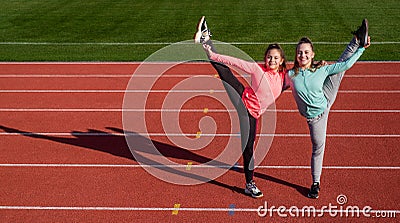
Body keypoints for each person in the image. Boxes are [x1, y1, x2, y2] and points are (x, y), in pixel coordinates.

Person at [194, 16, 288, 198]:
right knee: (224, 71)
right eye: (269, 57)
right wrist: (213, 56)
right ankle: (249, 184)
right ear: (265, 58)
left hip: (255, 113)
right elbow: (234, 62)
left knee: (249, 146)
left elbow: (301, 77)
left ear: (282, 60)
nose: (272, 60)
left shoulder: (285, 77)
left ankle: (207, 38)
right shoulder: (257, 69)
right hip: (242, 101)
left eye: (276, 57)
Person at [287, 19, 370, 199]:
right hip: (315, 118)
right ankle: (357, 39)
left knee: (339, 68)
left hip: (326, 97)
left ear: (312, 54)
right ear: (296, 55)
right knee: (317, 146)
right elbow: (276, 86)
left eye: (306, 52)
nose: (303, 55)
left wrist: (362, 49)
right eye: (300, 52)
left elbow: (345, 65)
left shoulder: (320, 70)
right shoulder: (290, 76)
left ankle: (357, 40)